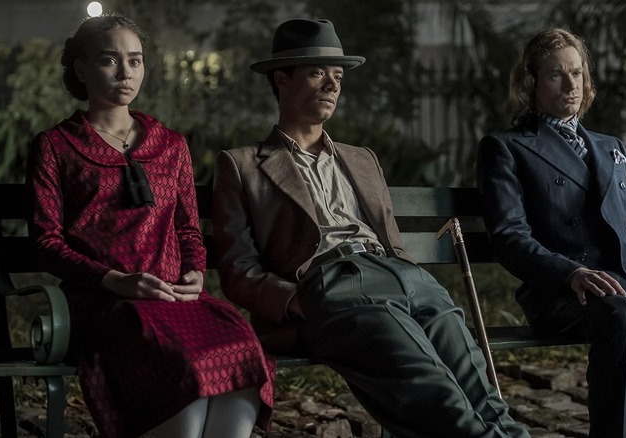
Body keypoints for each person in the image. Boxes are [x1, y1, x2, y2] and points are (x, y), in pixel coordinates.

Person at [212, 18, 529, 438]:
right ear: (282, 80)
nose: (332, 84)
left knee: (483, 393)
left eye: (338, 76)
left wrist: (405, 272)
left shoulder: (361, 158)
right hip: (331, 283)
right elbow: (237, 268)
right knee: (438, 395)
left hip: (403, 276)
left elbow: (389, 238)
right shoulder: (242, 164)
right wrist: (297, 303)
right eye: (317, 72)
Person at [25, 14, 273, 438]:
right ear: (82, 68)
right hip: (106, 302)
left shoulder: (170, 144)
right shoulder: (56, 146)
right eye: (109, 60)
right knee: (182, 364)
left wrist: (195, 273)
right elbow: (46, 242)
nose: (126, 72)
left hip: (175, 296)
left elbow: (189, 230)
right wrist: (115, 280)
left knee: (243, 349)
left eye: (136, 60)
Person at [476, 27, 626, 438]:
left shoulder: (611, 147)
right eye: (556, 75)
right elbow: (509, 236)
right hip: (563, 293)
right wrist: (570, 273)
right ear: (532, 82)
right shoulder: (507, 147)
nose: (571, 84)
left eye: (576, 72)